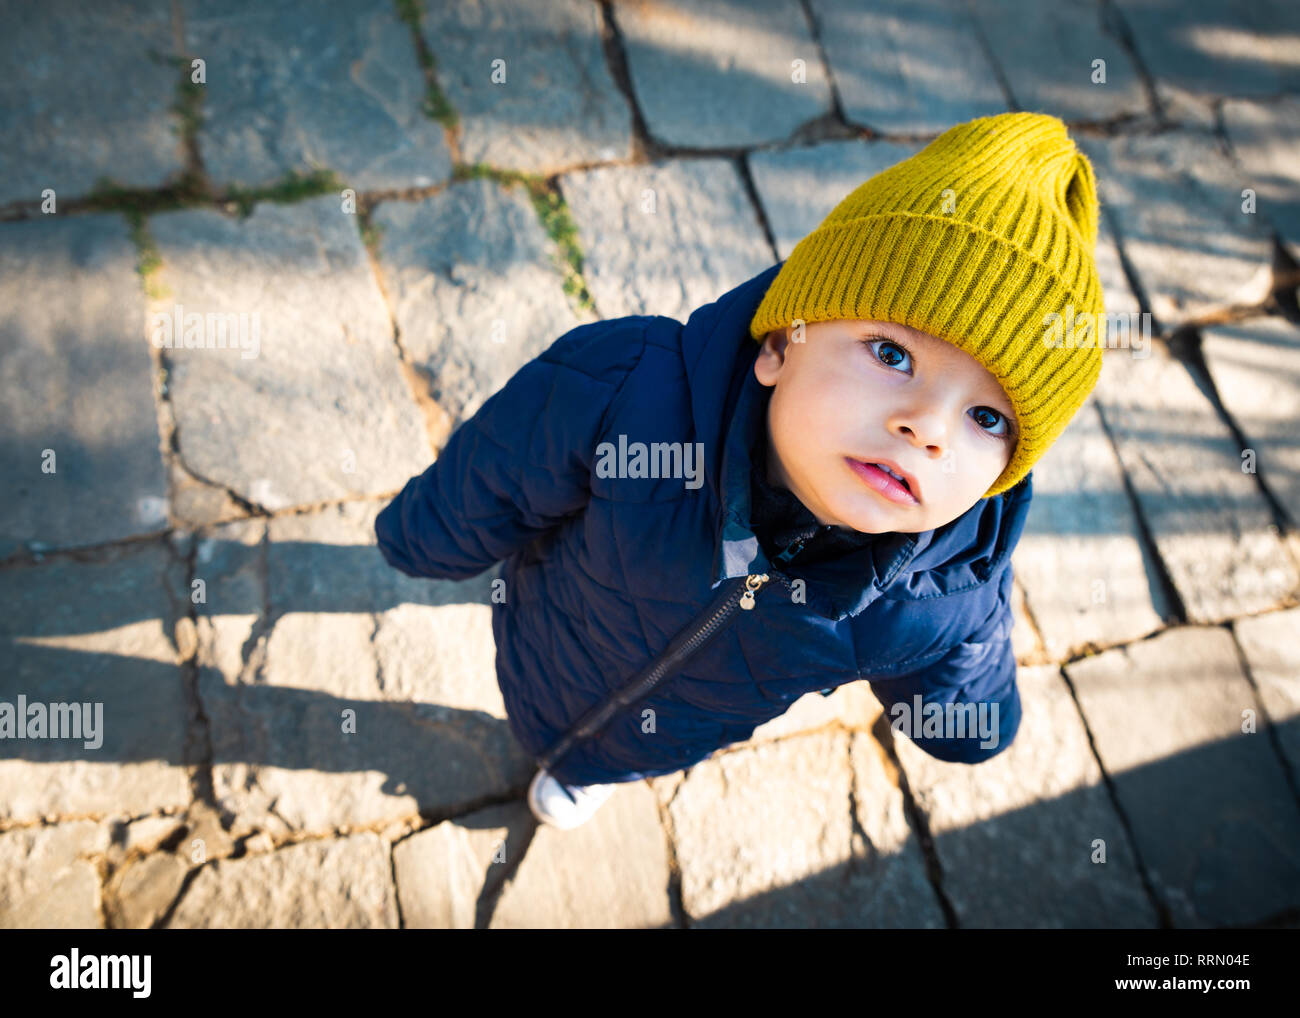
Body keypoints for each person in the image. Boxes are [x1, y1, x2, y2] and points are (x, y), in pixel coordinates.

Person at [375, 111, 1106, 830]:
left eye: (987, 418)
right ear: (780, 348)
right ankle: (569, 750)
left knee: (613, 753)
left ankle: (585, 772)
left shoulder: (942, 593)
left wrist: (971, 680)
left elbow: (966, 718)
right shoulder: (626, 389)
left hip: (666, 731)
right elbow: (499, 468)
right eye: (892, 354)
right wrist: (421, 539)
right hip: (547, 634)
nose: (928, 428)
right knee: (539, 679)